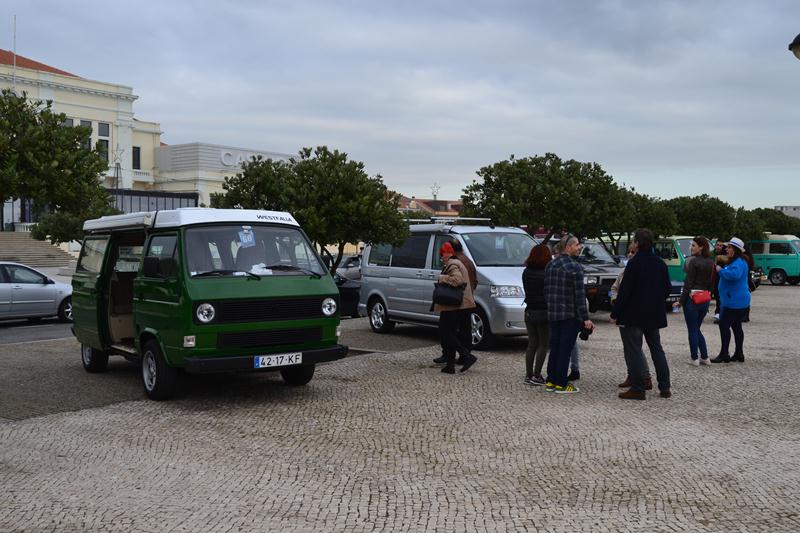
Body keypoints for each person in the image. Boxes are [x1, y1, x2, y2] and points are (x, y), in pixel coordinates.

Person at [611, 228, 672, 400]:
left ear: (637, 243)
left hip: (634, 314)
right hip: (654, 314)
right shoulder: (660, 263)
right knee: (657, 350)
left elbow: (625, 292)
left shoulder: (634, 263)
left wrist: (615, 313)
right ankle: (665, 387)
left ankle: (638, 388)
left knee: (634, 350)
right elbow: (667, 289)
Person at [543, 235, 593, 394]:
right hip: (569, 315)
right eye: (577, 245)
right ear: (569, 247)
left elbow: (546, 291)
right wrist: (586, 319)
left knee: (555, 348)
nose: (579, 247)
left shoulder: (550, 265)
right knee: (565, 349)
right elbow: (579, 296)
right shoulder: (575, 267)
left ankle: (551, 381)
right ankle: (561, 383)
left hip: (553, 314)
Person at [611, 242, 653, 390]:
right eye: (629, 252)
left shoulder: (641, 271)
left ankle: (645, 377)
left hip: (634, 315)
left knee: (635, 348)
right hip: (623, 313)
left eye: (633, 252)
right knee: (628, 348)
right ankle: (632, 375)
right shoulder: (623, 271)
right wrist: (614, 299)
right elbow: (614, 289)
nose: (630, 254)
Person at [434, 242, 478, 374]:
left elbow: (457, 280)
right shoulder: (459, 262)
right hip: (456, 304)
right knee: (450, 333)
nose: (442, 257)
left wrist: (442, 278)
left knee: (447, 333)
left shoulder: (453, 264)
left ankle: (467, 355)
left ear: (449, 253)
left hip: (453, 304)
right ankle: (450, 365)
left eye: (443, 254)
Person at [673, 236, 715, 366]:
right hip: (705, 298)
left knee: (692, 329)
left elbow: (688, 284)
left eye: (693, 245)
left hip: (692, 299)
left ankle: (694, 358)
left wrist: (680, 301)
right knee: (696, 328)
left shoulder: (693, 262)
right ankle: (705, 357)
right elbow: (712, 283)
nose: (691, 248)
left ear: (701, 247)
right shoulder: (711, 262)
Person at [711, 237, 751, 363]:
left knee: (723, 325)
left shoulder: (738, 262)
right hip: (737, 300)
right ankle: (739, 353)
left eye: (729, 247)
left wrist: (720, 270)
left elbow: (734, 276)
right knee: (736, 326)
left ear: (735, 250)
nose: (726, 249)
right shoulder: (739, 261)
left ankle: (724, 354)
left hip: (733, 301)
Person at [522, 244, 551, 386]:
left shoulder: (526, 271)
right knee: (543, 345)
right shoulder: (547, 272)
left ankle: (528, 374)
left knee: (532, 344)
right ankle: (537, 375)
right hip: (543, 311)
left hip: (529, 310)